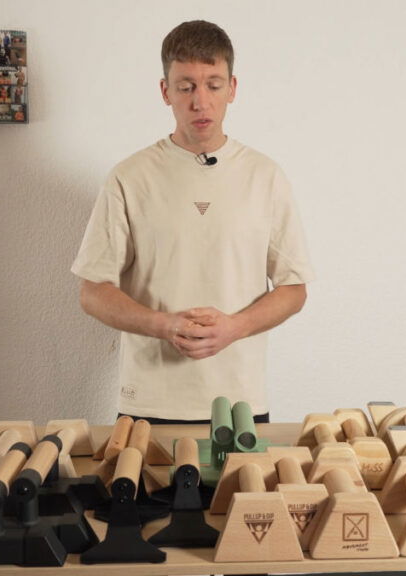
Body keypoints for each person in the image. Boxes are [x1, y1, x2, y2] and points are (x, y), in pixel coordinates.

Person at [71, 20, 313, 424]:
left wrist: (234, 327)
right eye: (186, 86)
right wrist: (163, 325)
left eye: (213, 85)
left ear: (233, 88)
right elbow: (92, 291)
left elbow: (294, 288)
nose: (200, 102)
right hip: (148, 405)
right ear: (166, 91)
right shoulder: (129, 178)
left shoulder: (265, 176)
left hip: (241, 405)